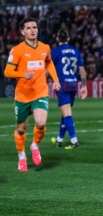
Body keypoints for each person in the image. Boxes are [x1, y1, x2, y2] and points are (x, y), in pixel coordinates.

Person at [3, 17, 61, 172]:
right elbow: (7, 71)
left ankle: (34, 145)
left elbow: (48, 62)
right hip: (22, 95)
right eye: (28, 28)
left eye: (34, 27)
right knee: (21, 129)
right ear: (23, 32)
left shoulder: (45, 47)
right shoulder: (17, 50)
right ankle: (22, 156)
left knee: (41, 123)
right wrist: (22, 74)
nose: (32, 30)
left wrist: (56, 79)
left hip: (40, 92)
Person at [50, 30, 88, 149]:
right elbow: (82, 71)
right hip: (73, 85)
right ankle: (59, 140)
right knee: (66, 112)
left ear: (57, 39)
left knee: (66, 114)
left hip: (62, 85)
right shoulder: (76, 52)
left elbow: (47, 69)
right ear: (69, 38)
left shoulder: (55, 52)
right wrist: (84, 86)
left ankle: (74, 140)